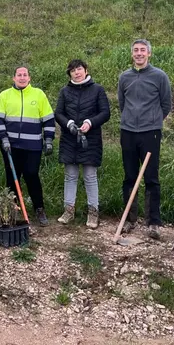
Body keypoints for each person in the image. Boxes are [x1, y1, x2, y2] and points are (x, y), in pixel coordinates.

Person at [117, 39, 172, 240]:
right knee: (129, 176)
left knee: (151, 177)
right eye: (136, 50)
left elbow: (166, 104)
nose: (139, 53)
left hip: (151, 133)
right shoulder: (124, 77)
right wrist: (131, 120)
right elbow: (122, 103)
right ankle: (129, 219)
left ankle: (153, 222)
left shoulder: (159, 76)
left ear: (149, 54)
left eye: (142, 50)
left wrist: (153, 121)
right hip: (128, 132)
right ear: (132, 54)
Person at [0, 66, 55, 226]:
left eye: (24, 75)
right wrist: (3, 139)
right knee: (12, 177)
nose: (22, 77)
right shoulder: (4, 96)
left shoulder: (38, 95)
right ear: (13, 78)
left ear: (29, 78)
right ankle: (12, 209)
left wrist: (48, 139)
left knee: (32, 174)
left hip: (33, 146)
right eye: (19, 75)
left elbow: (48, 119)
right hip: (10, 146)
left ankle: (39, 208)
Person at [55, 59, 110, 229]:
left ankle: (93, 212)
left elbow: (105, 112)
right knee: (70, 176)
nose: (76, 72)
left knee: (90, 176)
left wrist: (90, 123)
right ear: (69, 74)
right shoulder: (65, 91)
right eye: (72, 70)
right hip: (69, 138)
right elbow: (58, 113)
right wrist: (69, 124)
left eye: (79, 69)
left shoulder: (98, 90)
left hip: (90, 139)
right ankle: (69, 210)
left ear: (86, 70)